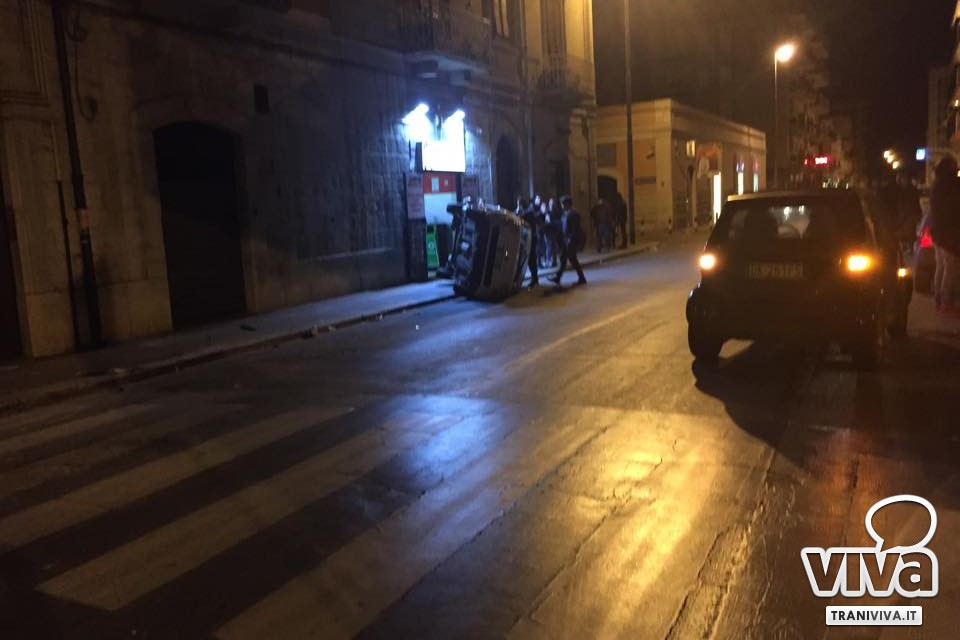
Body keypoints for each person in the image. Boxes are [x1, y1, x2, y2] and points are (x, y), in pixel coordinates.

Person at [929, 157, 960, 313]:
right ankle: (946, 301)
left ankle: (939, 299)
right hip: (949, 233)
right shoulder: (951, 184)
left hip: (938, 232)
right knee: (950, 268)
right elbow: (953, 208)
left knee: (941, 266)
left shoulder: (938, 184)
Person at [549, 195, 587, 286]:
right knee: (565, 259)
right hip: (566, 240)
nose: (562, 206)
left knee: (572, 259)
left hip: (571, 240)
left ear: (567, 204)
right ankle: (558, 277)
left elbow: (575, 229)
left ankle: (581, 278)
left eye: (562, 204)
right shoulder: (566, 214)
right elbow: (563, 225)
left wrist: (570, 239)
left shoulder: (573, 214)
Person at [521, 196, 540, 287]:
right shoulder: (528, 212)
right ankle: (535, 279)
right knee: (531, 260)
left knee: (531, 260)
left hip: (531, 239)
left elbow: (521, 218)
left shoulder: (528, 213)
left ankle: (534, 279)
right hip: (532, 238)